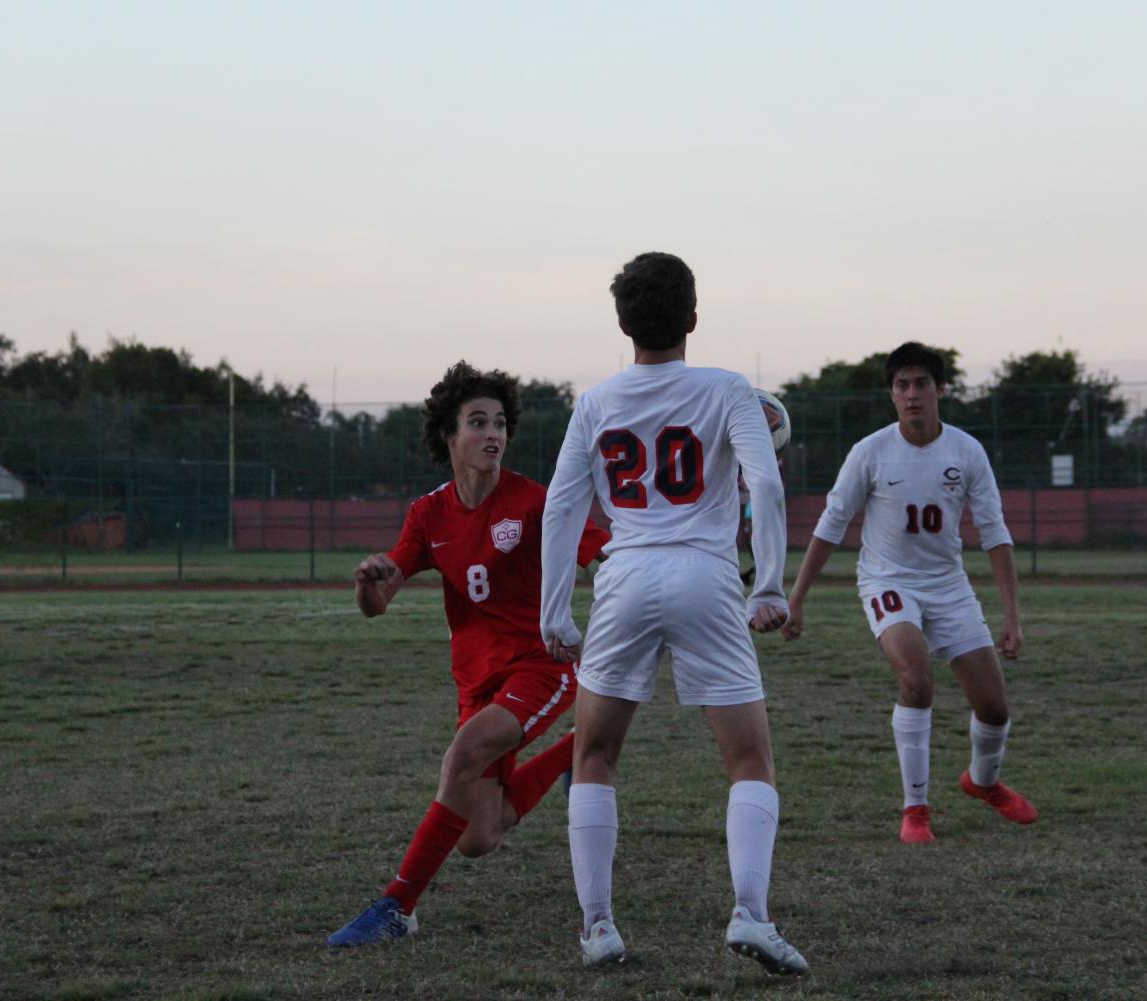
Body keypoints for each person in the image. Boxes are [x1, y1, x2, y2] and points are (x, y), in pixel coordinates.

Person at [540, 251, 809, 975]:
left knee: (592, 756)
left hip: (624, 577)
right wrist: (771, 586)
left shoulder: (595, 402)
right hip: (705, 575)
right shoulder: (727, 388)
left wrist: (554, 610)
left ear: (622, 323)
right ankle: (750, 912)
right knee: (748, 758)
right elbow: (766, 485)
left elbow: (563, 505)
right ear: (692, 318)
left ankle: (597, 926)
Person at [327, 361, 609, 947]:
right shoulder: (428, 515)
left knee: (463, 756)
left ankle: (395, 909)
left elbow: (603, 553)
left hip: (542, 663)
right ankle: (580, 750)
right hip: (475, 682)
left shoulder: (537, 502)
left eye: (500, 423)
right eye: (477, 422)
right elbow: (377, 603)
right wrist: (367, 581)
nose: (493, 434)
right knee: (480, 835)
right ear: (448, 437)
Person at [782, 341, 1038, 844]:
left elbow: (995, 533)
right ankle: (915, 809)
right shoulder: (870, 451)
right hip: (888, 581)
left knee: (994, 708)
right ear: (892, 395)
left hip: (949, 584)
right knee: (916, 680)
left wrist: (1012, 616)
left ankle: (982, 783)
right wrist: (798, 597)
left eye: (922, 383)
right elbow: (831, 525)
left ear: (941, 389)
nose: (912, 394)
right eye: (902, 385)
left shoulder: (966, 451)